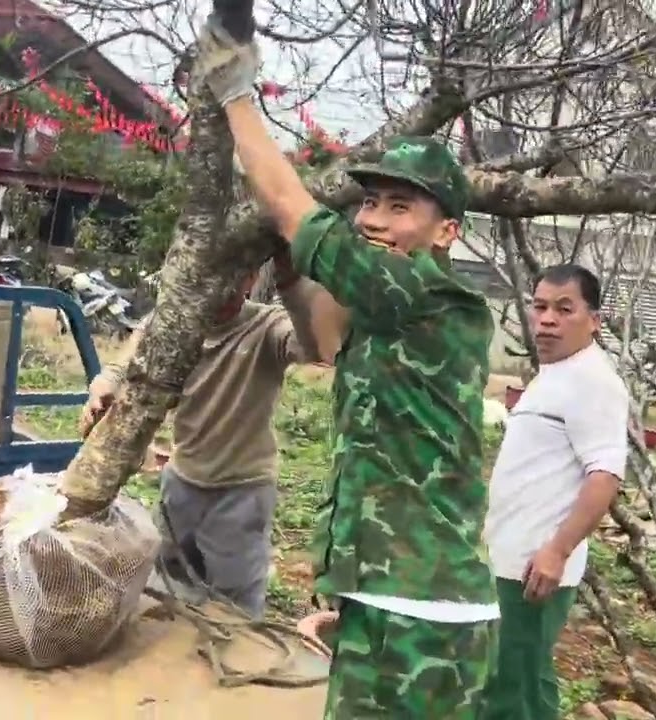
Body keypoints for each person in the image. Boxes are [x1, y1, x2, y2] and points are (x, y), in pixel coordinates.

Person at [193, 19, 499, 719]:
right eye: (369, 202)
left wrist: (235, 92)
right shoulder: (389, 311)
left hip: (422, 615)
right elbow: (326, 341)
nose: (374, 220)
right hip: (393, 601)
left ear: (448, 231)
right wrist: (350, 598)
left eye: (401, 206)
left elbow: (289, 206)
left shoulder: (422, 292)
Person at [79, 252, 327, 619]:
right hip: (181, 483)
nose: (218, 290)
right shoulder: (177, 323)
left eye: (233, 278)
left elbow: (316, 346)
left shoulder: (267, 327)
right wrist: (105, 385)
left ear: (250, 279)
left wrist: (292, 280)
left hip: (240, 493)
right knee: (166, 588)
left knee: (235, 610)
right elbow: (129, 357)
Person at [481, 264, 628, 720]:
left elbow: (605, 476)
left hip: (534, 568)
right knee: (514, 680)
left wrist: (557, 551)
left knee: (514, 691)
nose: (547, 319)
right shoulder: (555, 375)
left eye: (565, 309)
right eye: (540, 306)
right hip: (509, 559)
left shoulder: (594, 382)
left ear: (594, 320)